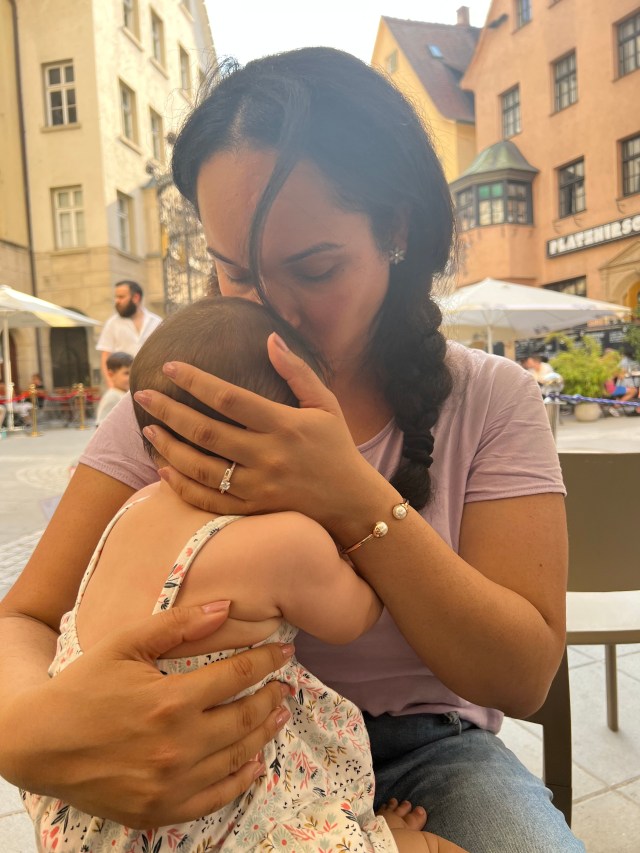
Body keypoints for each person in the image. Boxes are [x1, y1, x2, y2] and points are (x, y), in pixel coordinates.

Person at [0, 48, 582, 853]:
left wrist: (352, 496)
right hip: (209, 751)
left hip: (427, 755)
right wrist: (27, 731)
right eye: (233, 270)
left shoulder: (489, 398)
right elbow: (26, 615)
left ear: (397, 230)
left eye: (313, 267)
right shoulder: (188, 395)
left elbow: (522, 676)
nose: (269, 308)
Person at [23, 296, 465, 853]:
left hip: (90, 811)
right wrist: (344, 506)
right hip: (223, 820)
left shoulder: (130, 511)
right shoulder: (286, 543)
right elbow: (357, 615)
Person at [96, 280, 161, 387]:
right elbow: (105, 356)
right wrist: (111, 383)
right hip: (123, 387)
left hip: (151, 384)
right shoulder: (112, 323)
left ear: (135, 298)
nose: (117, 301)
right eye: (116, 297)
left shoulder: (156, 322)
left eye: (121, 297)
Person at [95, 352, 133, 425]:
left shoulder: (126, 393)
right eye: (126, 373)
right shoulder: (112, 396)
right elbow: (101, 425)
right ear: (111, 374)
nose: (131, 377)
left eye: (132, 373)